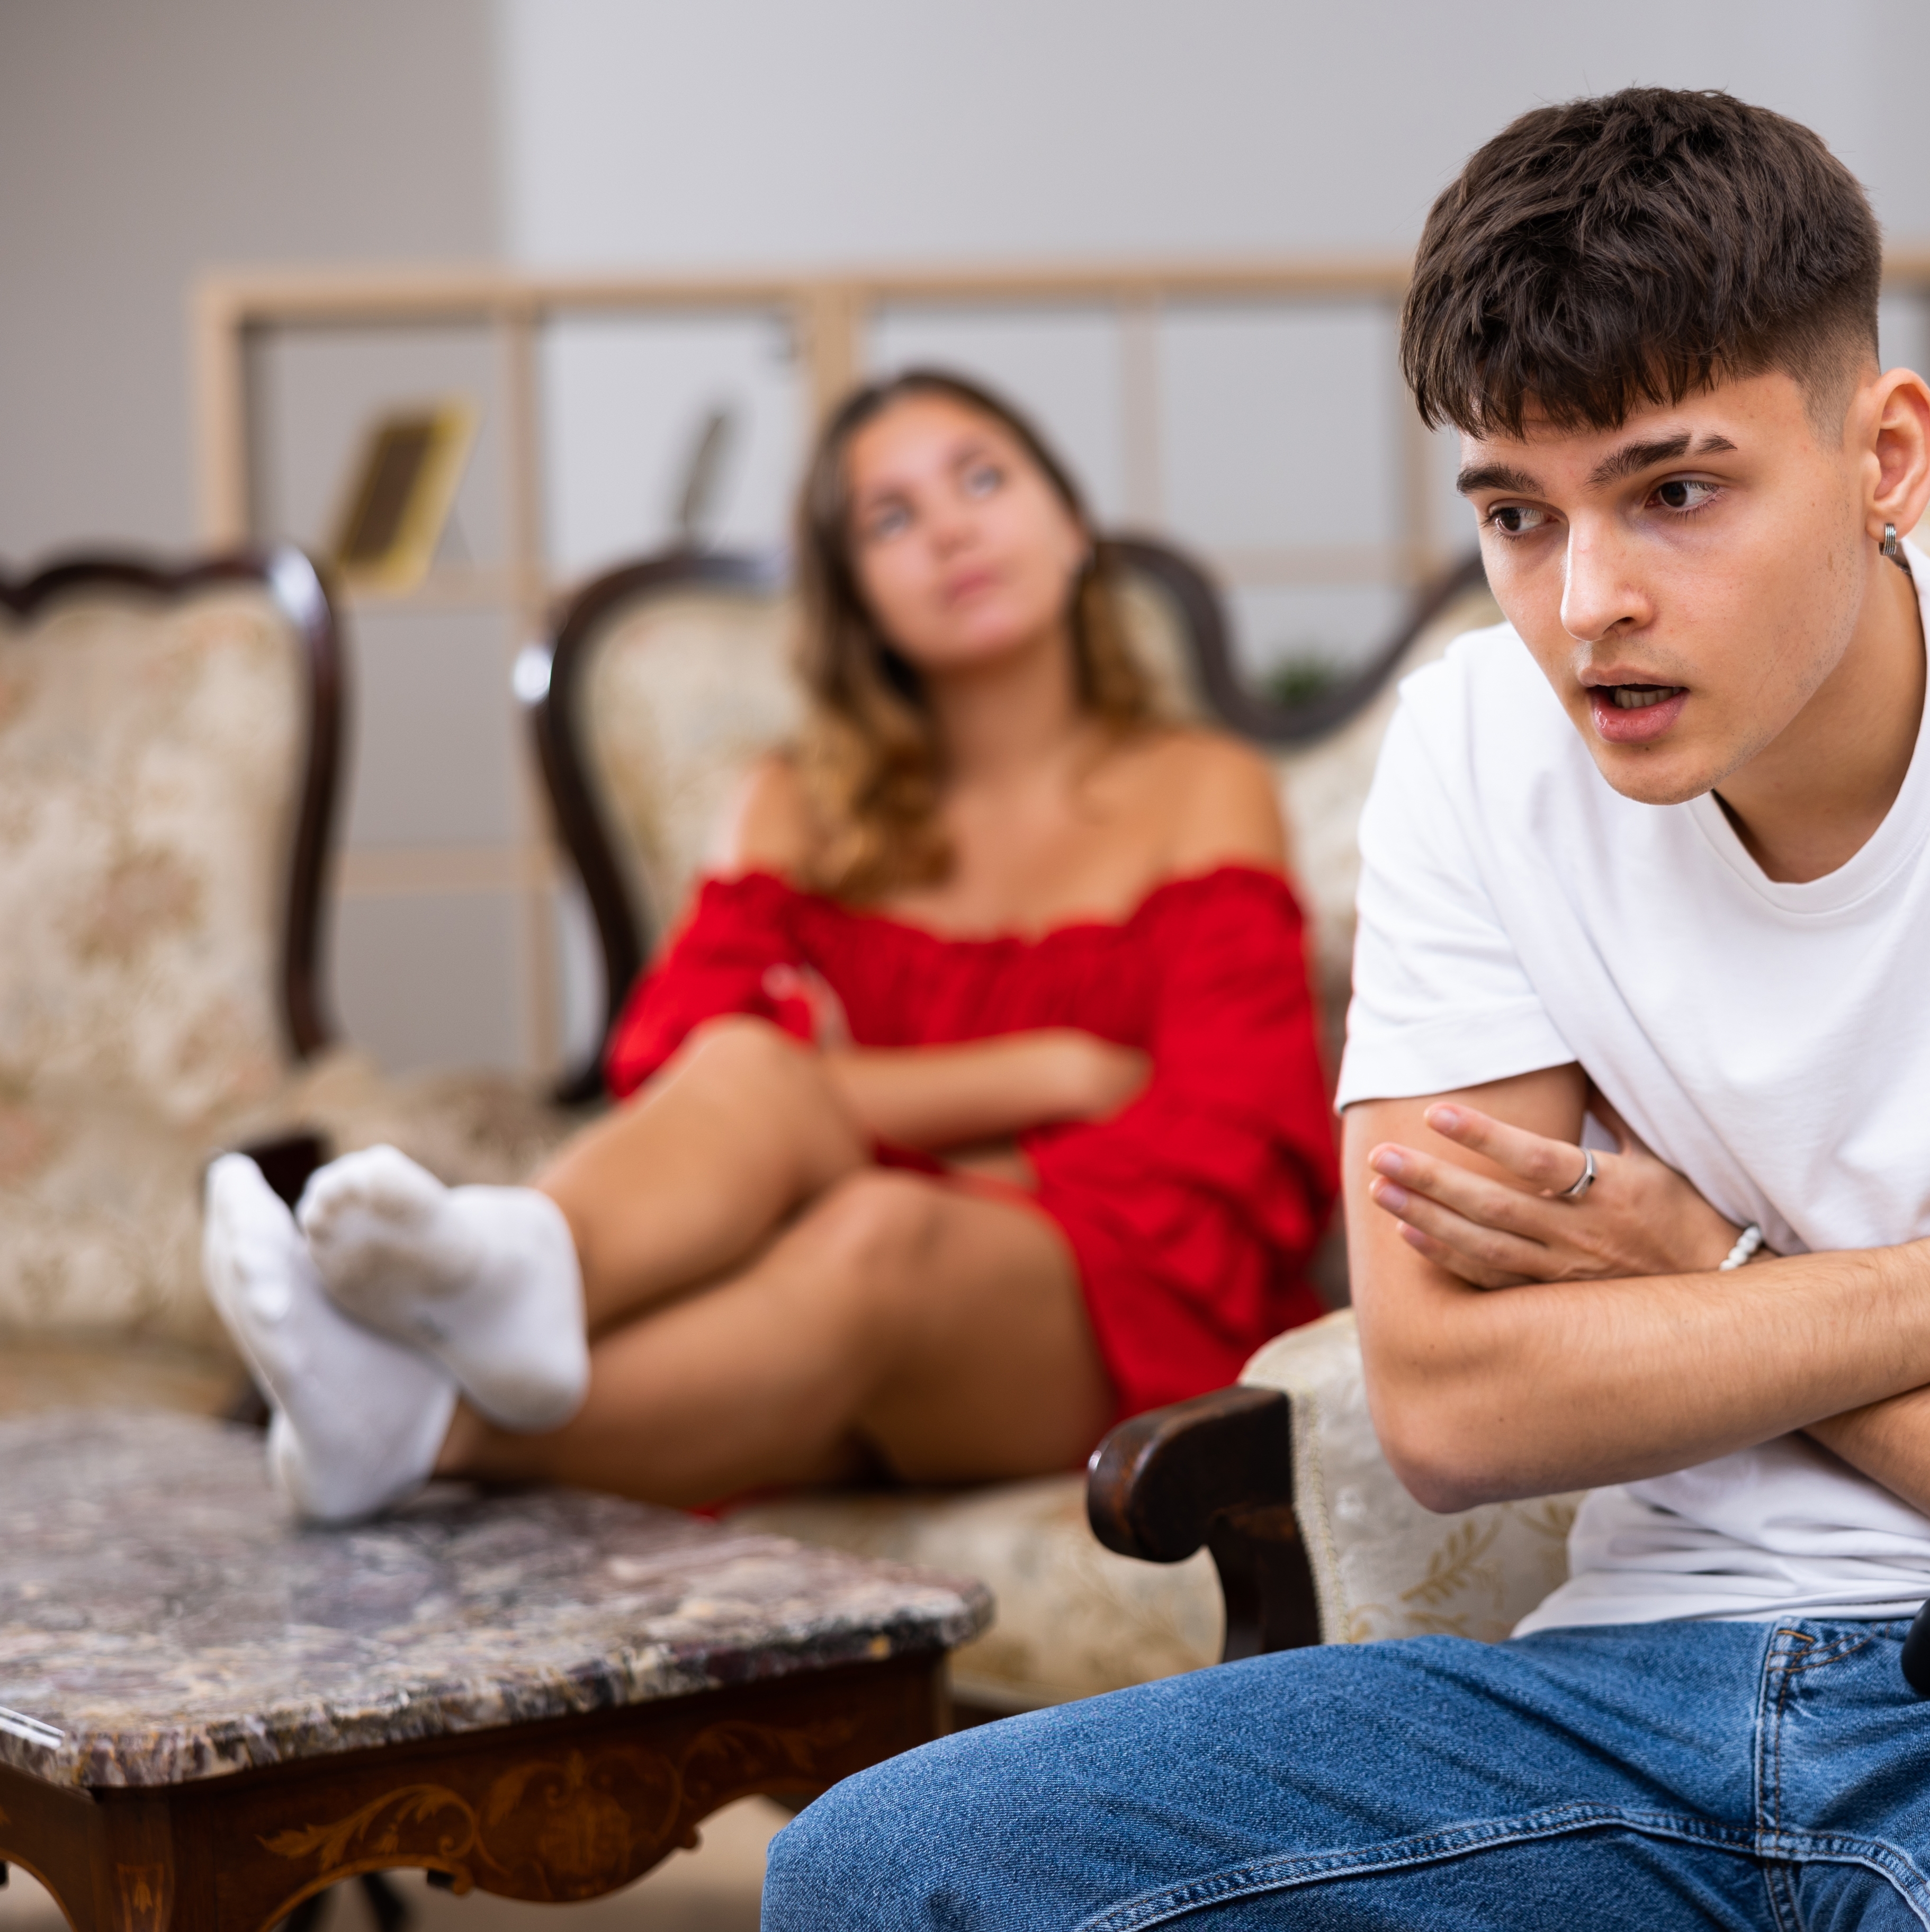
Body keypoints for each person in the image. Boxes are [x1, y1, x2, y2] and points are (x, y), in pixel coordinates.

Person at [764, 88, 1930, 1931]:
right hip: (1608, 1703)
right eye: (1515, 514)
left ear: (1885, 456)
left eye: (1674, 490)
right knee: (876, 1868)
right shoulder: (1479, 747)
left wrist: (1698, 1280)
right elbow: (1453, 1403)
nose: (1587, 606)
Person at [203, 369, 1340, 1521]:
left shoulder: (1204, 787)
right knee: (758, 1084)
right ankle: (488, 1312)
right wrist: (1054, 1073)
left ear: (1070, 526)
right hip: (819, 1294)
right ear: (859, 597)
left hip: (1123, 1296)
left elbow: (1235, 1143)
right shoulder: (795, 805)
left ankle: (424, 1404)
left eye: (982, 480)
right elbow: (683, 1076)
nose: (949, 529)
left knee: (874, 1222)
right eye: (891, 518)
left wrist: (851, 1119)